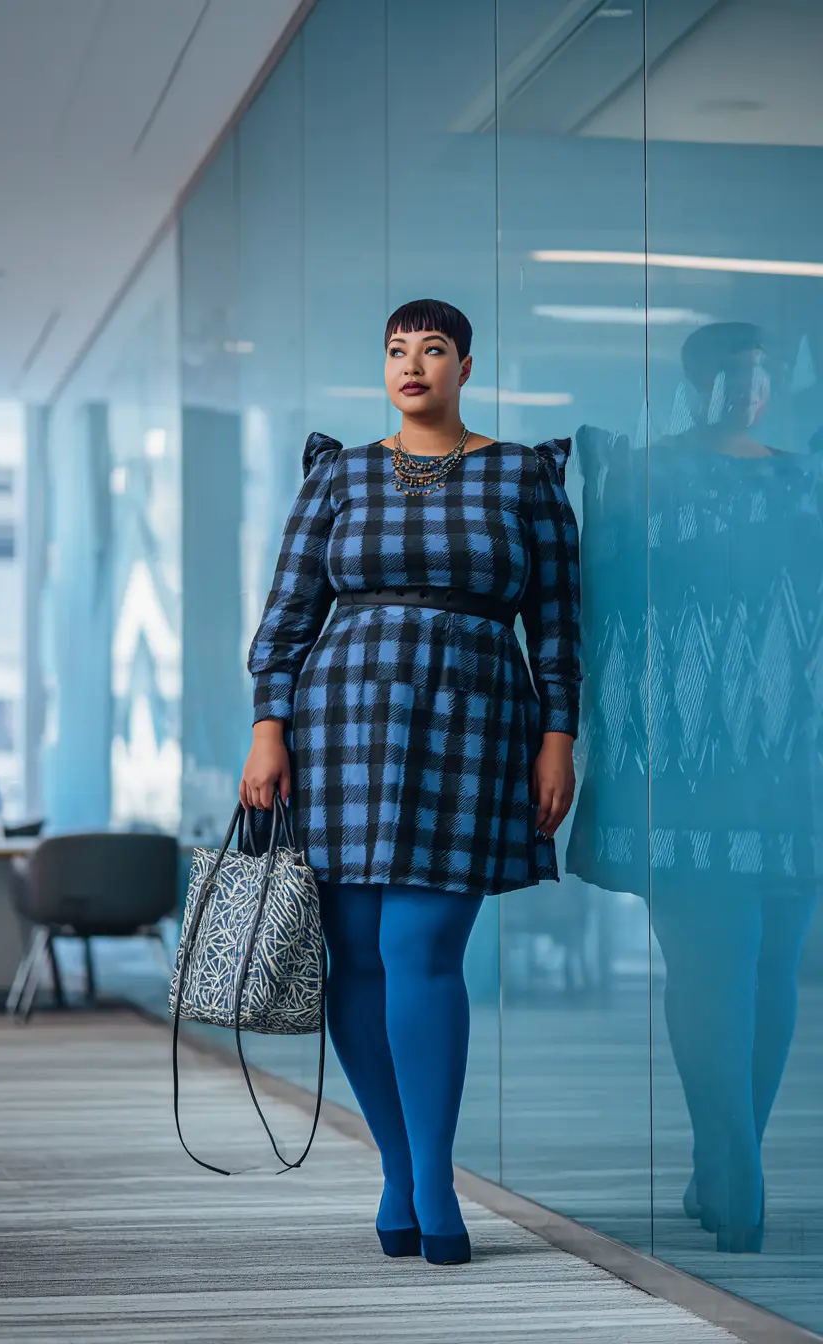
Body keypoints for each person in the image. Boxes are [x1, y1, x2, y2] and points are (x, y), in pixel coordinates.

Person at [241, 299, 581, 1265]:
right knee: (357, 954)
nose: (412, 365)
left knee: (421, 945)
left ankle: (433, 1174)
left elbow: (557, 625)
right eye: (396, 350)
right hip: (338, 721)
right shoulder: (338, 474)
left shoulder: (523, 473)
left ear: (466, 366)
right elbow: (288, 614)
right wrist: (270, 728)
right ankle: (398, 1164)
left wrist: (557, 737)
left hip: (475, 719)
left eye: (432, 349)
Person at [568, 323, 823, 1254]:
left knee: (767, 969)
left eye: (762, 374)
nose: (747, 391)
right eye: (729, 375)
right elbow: (602, 605)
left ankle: (729, 1160)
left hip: (794, 767)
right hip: (682, 763)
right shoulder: (643, 478)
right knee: (717, 962)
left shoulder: (806, 478)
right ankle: (735, 1175)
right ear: (696, 381)